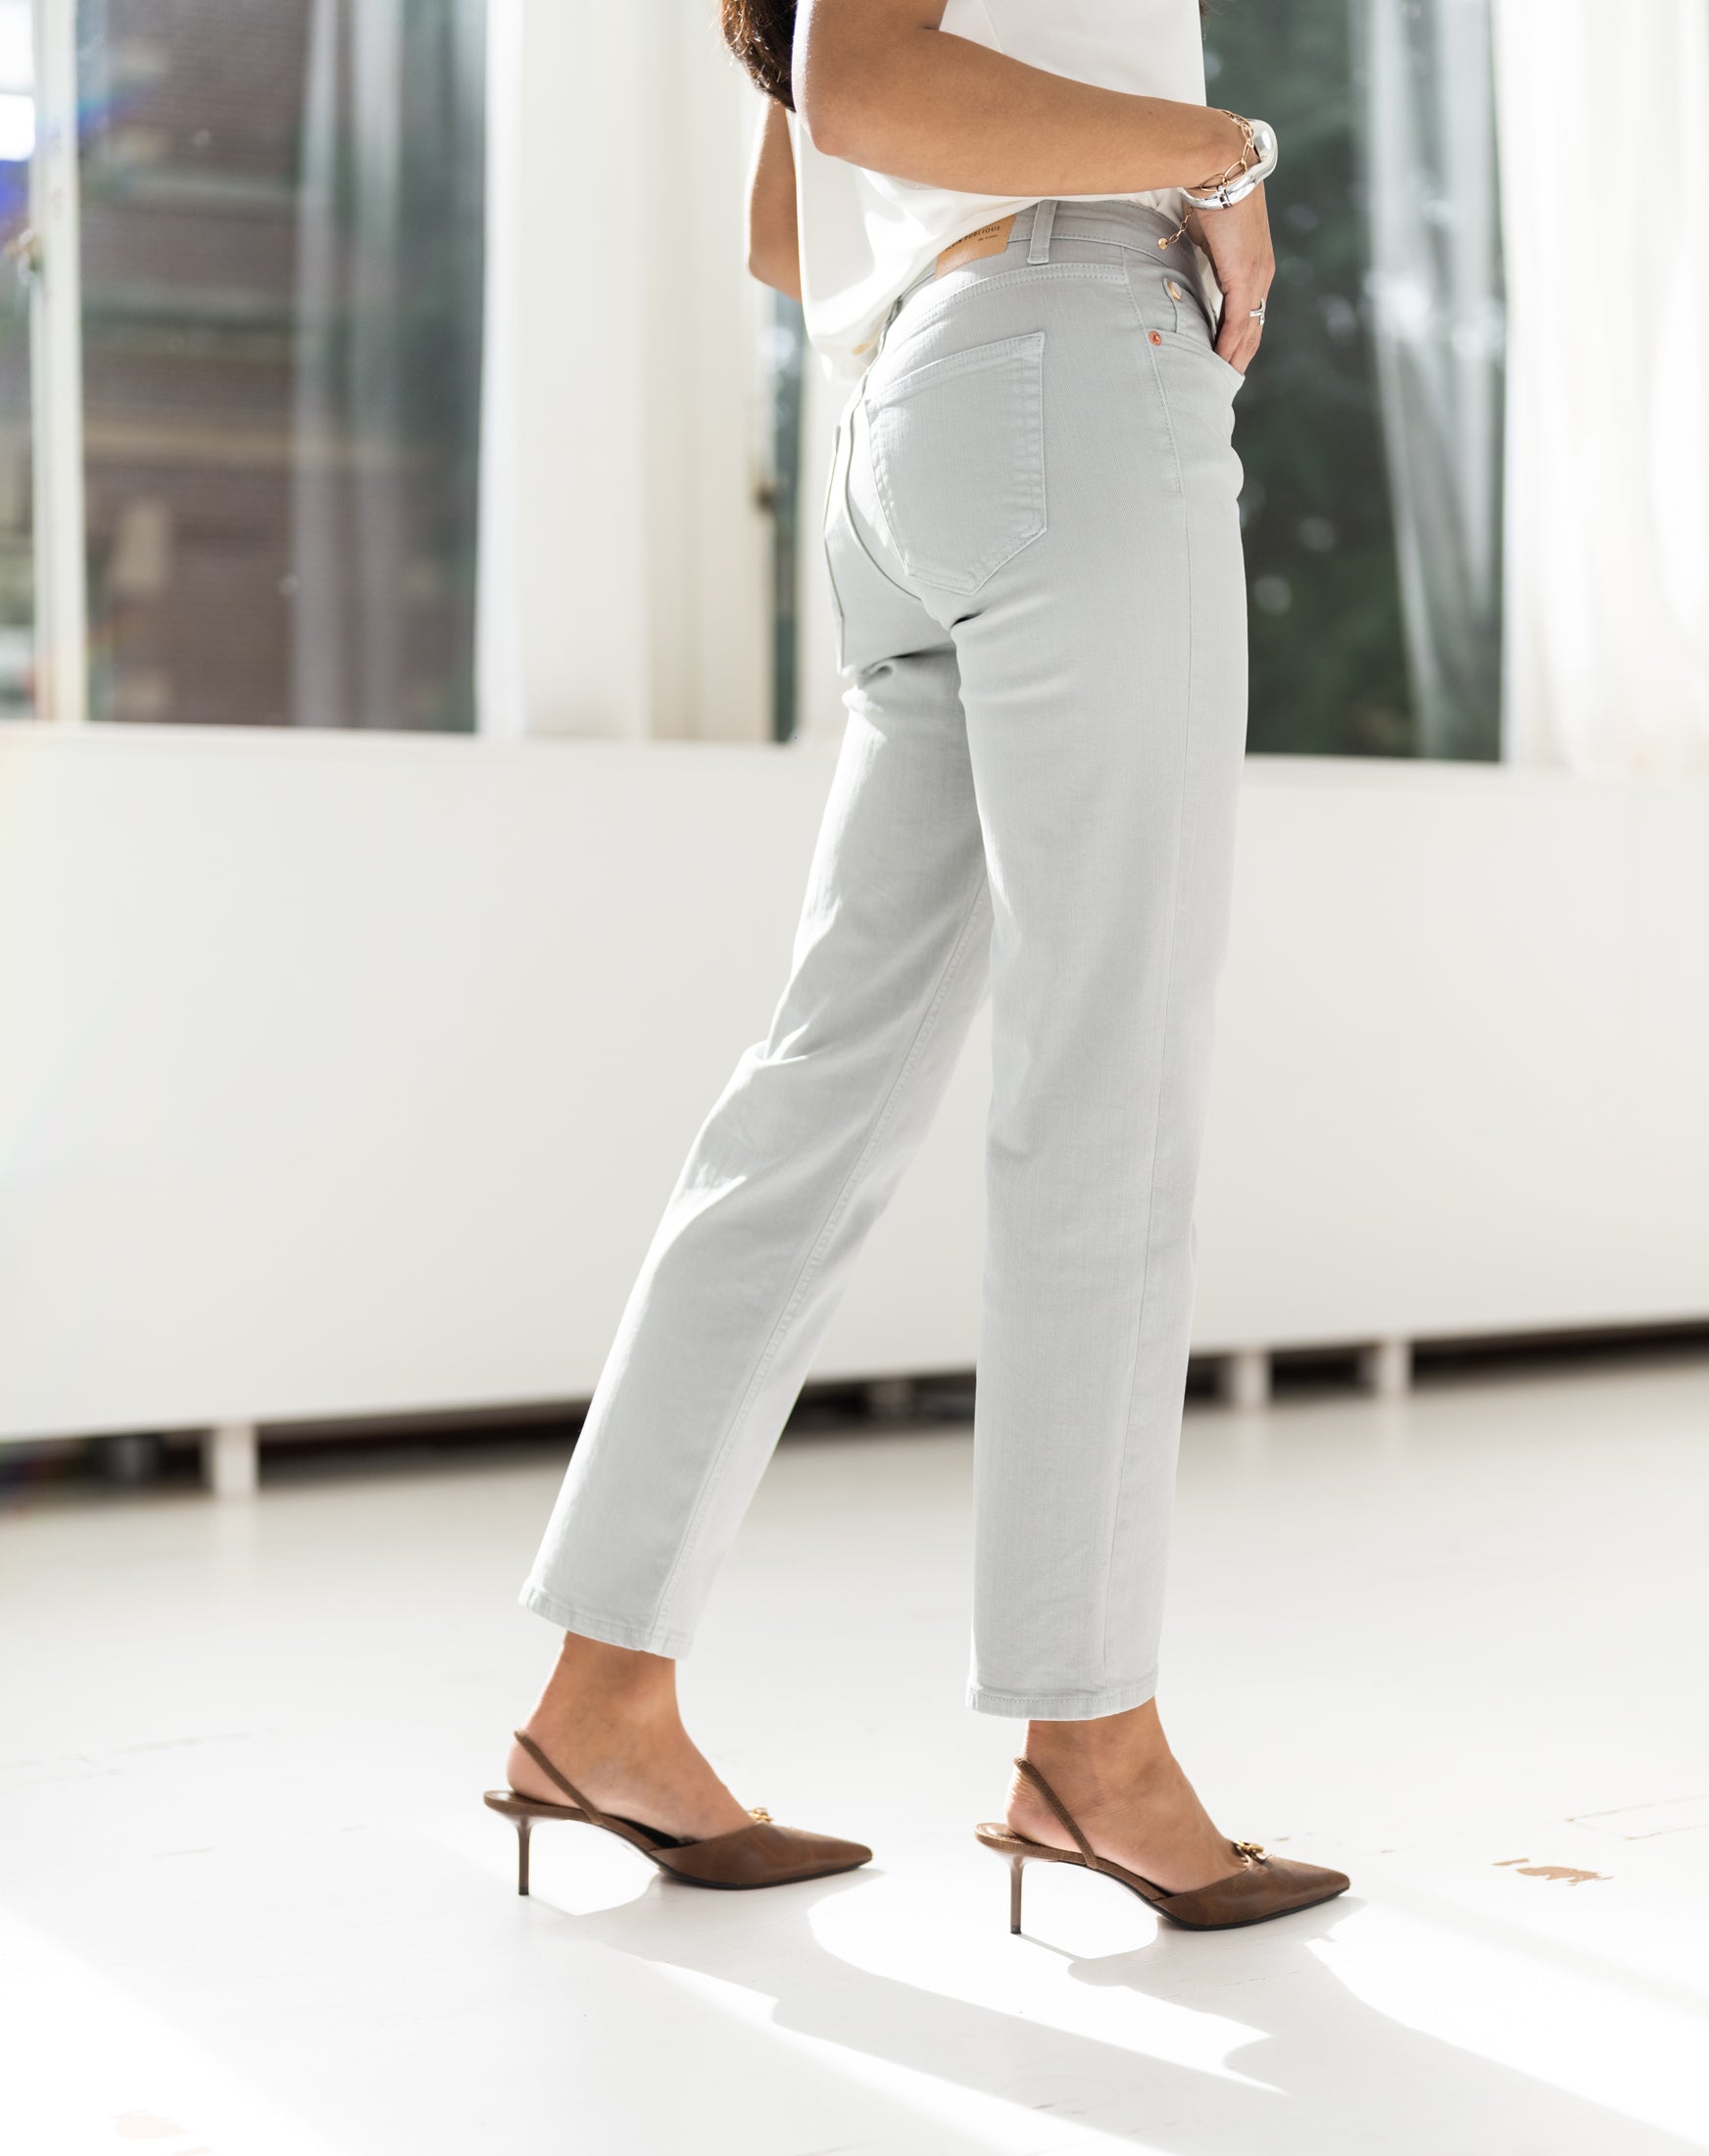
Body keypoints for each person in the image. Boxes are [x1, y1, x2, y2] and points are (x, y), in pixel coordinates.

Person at [484, 0, 1348, 1930]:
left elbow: (796, 227)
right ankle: (1091, 1742)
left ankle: (604, 1689)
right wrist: (1224, 152)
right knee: (1103, 1076)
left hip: (926, 413)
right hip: (1070, 372)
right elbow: (870, 93)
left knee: (821, 1088)